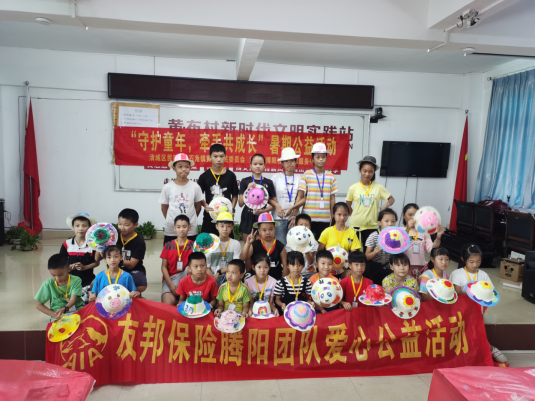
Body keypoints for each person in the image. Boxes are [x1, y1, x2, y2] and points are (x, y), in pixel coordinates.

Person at [450, 244, 507, 363]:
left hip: (477, 312)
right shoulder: (457, 273)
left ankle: (489, 349)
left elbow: (491, 291)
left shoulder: (483, 275)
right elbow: (458, 292)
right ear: (463, 259)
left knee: (477, 331)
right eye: (471, 262)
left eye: (478, 261)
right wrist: (474, 293)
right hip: (460, 311)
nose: (475, 265)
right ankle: (488, 349)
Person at [290, 143, 338, 239]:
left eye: (323, 157)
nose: (321, 159)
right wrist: (294, 215)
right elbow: (300, 196)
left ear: (326, 158)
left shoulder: (331, 176)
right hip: (307, 220)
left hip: (325, 219)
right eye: (318, 157)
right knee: (305, 242)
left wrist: (333, 217)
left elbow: (332, 199)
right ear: (312, 159)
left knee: (322, 244)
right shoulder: (306, 175)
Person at [346, 156, 394, 247]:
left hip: (372, 226)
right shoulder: (353, 188)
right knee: (355, 251)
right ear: (360, 170)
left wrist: (385, 206)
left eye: (371, 171)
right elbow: (348, 205)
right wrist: (354, 216)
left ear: (374, 172)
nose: (367, 174)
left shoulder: (378, 187)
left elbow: (391, 199)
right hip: (356, 226)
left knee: (369, 251)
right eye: (365, 171)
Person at [159, 153, 203, 244]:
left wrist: (190, 220)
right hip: (172, 229)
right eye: (180, 166)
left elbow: (198, 207)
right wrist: (173, 222)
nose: (184, 169)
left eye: (187, 166)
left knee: (190, 251)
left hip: (190, 229)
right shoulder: (167, 187)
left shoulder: (195, 187)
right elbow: (164, 208)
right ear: (174, 168)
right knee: (170, 250)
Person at [198, 144, 239, 236]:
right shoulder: (204, 176)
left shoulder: (231, 176)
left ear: (225, 157)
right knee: (208, 242)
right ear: (210, 157)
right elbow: (198, 196)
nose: (219, 159)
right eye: (215, 156)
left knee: (227, 242)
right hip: (210, 216)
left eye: (221, 156)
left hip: (226, 217)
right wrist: (205, 205)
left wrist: (232, 209)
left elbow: (235, 195)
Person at [59, 212, 101, 303]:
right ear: (73, 227)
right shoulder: (67, 244)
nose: (80, 228)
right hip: (70, 281)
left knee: (90, 301)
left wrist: (85, 267)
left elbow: (96, 262)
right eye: (77, 226)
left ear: (89, 228)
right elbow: (61, 262)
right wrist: (69, 267)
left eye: (84, 226)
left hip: (87, 281)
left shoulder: (93, 244)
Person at [318, 202, 361, 278]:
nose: (342, 217)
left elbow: (354, 254)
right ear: (333, 214)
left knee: (351, 276)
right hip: (328, 268)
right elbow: (320, 251)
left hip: (345, 267)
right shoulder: (327, 231)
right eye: (339, 214)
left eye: (345, 215)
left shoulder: (352, 232)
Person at [35, 254, 84, 321]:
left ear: (68, 269)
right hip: (58, 314)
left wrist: (65, 309)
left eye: (60, 275)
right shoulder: (48, 284)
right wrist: (55, 315)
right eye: (53, 275)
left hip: (77, 310)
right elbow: (39, 305)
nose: (57, 278)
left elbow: (73, 300)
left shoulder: (76, 280)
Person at [402, 203, 444, 280]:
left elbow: (431, 249)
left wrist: (438, 237)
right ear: (403, 216)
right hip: (404, 267)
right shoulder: (400, 230)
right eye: (410, 215)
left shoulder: (424, 232)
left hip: (421, 267)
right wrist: (408, 229)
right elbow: (398, 245)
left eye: (415, 215)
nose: (413, 218)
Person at [241, 213, 288, 280]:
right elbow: (243, 258)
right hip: (257, 279)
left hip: (275, 279)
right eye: (264, 230)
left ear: (275, 229)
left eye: (271, 229)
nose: (268, 232)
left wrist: (282, 282)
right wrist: (247, 244)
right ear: (259, 231)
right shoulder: (255, 245)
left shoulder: (279, 246)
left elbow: (285, 265)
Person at [239, 153, 277, 238]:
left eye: (260, 164)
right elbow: (240, 204)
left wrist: (264, 211)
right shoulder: (245, 181)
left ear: (264, 166)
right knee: (248, 243)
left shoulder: (269, 182)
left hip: (263, 216)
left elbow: (274, 204)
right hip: (247, 215)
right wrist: (247, 190)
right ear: (250, 165)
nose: (258, 166)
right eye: (255, 164)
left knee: (261, 243)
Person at [160, 215, 195, 306]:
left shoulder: (194, 245)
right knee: (167, 305)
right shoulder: (168, 245)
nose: (181, 229)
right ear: (174, 228)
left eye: (184, 227)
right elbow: (164, 267)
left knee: (191, 267)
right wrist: (170, 284)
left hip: (187, 277)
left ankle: (185, 293)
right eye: (178, 227)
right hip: (171, 278)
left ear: (189, 227)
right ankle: (176, 295)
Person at [272, 147, 302, 243]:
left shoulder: (300, 178)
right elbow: (269, 197)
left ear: (296, 162)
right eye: (286, 161)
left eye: (292, 160)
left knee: (293, 244)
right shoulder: (276, 177)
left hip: (294, 218)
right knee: (281, 245)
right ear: (282, 163)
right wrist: (277, 206)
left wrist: (294, 215)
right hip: (278, 218)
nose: (290, 163)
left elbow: (300, 197)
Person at [206, 212, 242, 286]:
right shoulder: (210, 244)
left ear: (232, 227)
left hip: (231, 278)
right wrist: (213, 280)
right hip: (213, 277)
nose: (225, 229)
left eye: (228, 226)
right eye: (222, 226)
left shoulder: (235, 243)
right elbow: (207, 266)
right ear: (216, 226)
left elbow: (235, 264)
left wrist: (220, 272)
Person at [117, 208, 147, 294]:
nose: (122, 228)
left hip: (134, 269)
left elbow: (131, 265)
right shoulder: (114, 237)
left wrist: (115, 260)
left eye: (126, 225)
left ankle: (135, 294)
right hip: (115, 268)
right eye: (119, 224)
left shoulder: (139, 242)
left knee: (140, 285)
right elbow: (99, 258)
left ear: (135, 224)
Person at [365, 208, 397, 285]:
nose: (390, 224)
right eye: (386, 221)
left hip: (389, 267)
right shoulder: (374, 235)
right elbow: (366, 257)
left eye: (393, 221)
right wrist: (377, 251)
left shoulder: (396, 236)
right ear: (379, 222)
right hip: (373, 267)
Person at [285, 213, 317, 277]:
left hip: (309, 273)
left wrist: (306, 248)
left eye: (306, 225)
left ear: (310, 227)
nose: (304, 227)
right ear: (296, 226)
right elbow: (290, 258)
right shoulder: (291, 239)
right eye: (301, 224)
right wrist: (295, 245)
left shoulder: (312, 241)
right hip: (295, 272)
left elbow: (310, 262)